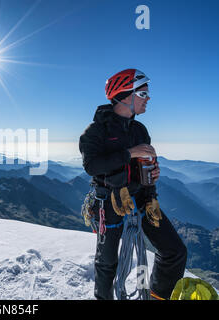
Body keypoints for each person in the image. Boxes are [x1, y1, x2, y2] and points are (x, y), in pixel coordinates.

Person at [79, 69, 187, 300]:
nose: (148, 98)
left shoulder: (139, 130)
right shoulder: (95, 132)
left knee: (174, 251)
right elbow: (92, 165)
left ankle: (157, 297)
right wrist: (129, 153)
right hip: (109, 201)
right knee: (107, 262)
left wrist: (152, 182)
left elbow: (143, 163)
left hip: (141, 197)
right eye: (143, 93)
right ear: (126, 95)